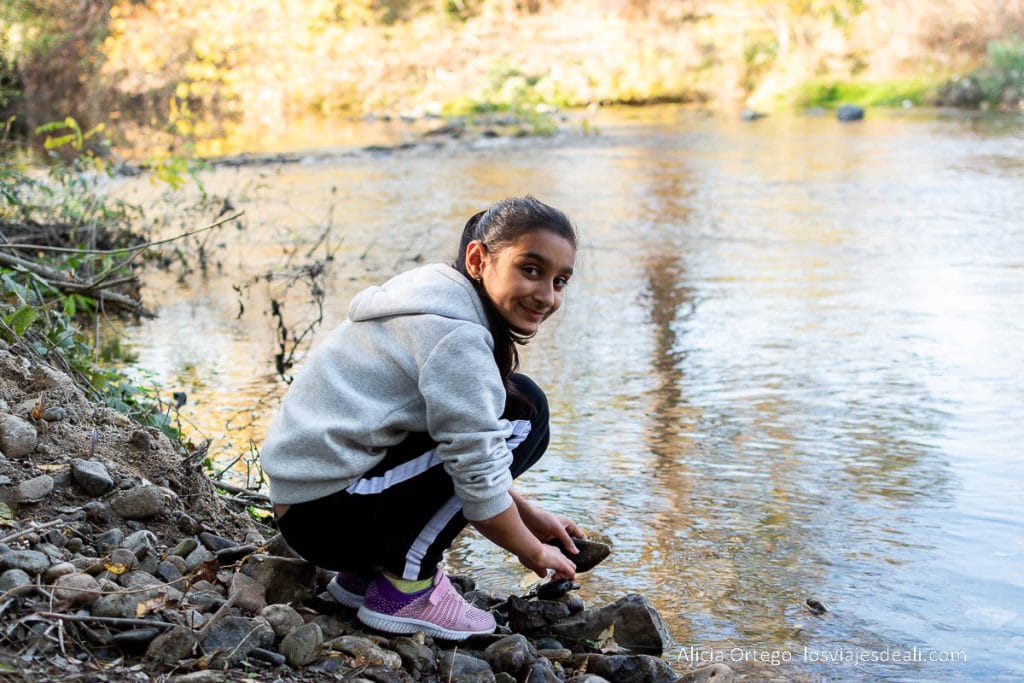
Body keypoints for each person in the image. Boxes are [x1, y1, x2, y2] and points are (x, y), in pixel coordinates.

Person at [260, 196, 586, 641]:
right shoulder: (455, 335)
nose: (547, 295)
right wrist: (531, 551)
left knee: (514, 405)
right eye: (530, 270)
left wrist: (527, 514)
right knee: (525, 415)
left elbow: (454, 443)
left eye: (560, 281)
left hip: (310, 507)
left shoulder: (431, 297)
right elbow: (475, 473)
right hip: (328, 517)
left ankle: (364, 577)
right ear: (478, 259)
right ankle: (408, 588)